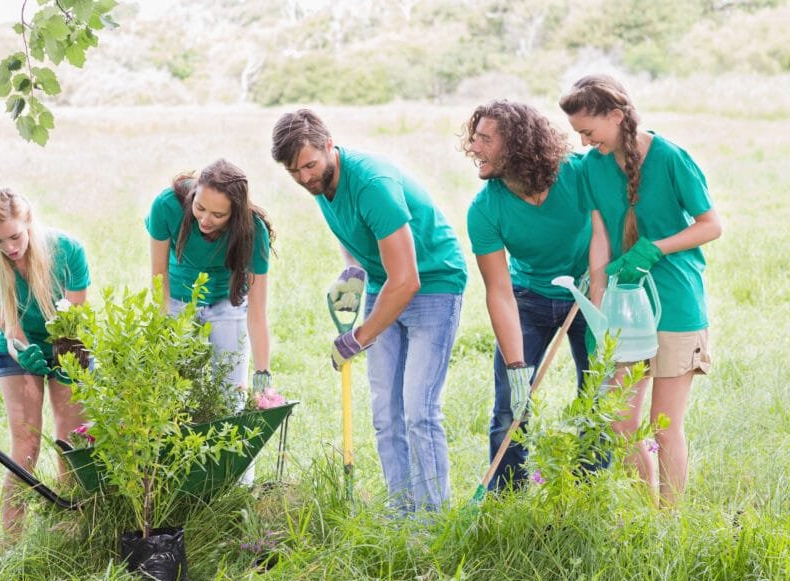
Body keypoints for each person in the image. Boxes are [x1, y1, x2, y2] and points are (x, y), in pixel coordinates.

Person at [271, 109, 468, 514]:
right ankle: (402, 511)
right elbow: (354, 236)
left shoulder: (372, 184)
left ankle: (433, 522)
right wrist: (353, 272)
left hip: (433, 281)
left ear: (329, 146)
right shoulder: (321, 185)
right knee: (386, 414)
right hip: (385, 283)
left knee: (418, 411)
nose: (304, 177)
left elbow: (408, 280)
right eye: (294, 172)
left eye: (309, 165)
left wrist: (358, 338)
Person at [559, 75, 723, 506]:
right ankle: (645, 515)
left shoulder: (670, 158)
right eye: (578, 133)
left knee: (664, 427)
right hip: (624, 306)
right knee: (620, 424)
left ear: (616, 116)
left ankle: (669, 522)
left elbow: (711, 226)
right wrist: (598, 310)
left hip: (674, 303)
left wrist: (655, 248)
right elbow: (600, 238)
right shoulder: (592, 166)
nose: (584, 142)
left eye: (588, 131)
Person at [462, 100, 598, 490]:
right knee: (510, 407)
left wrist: (597, 279)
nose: (473, 148)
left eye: (485, 139)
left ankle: (588, 494)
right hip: (527, 297)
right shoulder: (485, 209)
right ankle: (506, 498)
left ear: (518, 144)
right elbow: (499, 292)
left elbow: (616, 221)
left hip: (589, 292)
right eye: (473, 138)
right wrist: (517, 367)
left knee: (596, 399)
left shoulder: (577, 175)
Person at [146, 158, 275, 485]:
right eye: (200, 208)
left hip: (227, 303)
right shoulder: (167, 206)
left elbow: (257, 313)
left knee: (232, 398)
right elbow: (158, 281)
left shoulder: (253, 232)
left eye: (218, 215)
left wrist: (262, 375)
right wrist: (164, 335)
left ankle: (238, 489)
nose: (205, 219)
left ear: (236, 213)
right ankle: (175, 485)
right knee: (174, 396)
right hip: (178, 301)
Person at [0, 188, 91, 536]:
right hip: (19, 347)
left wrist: (63, 358)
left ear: (28, 222)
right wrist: (23, 352)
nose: (10, 248)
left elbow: (74, 321)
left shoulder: (68, 251)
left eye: (15, 236)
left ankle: (70, 528)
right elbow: (10, 328)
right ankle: (12, 541)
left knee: (69, 442)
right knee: (26, 445)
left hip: (68, 343)